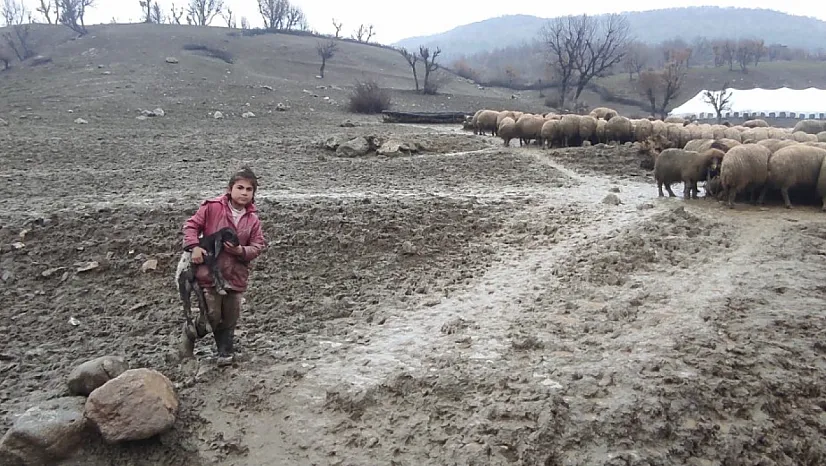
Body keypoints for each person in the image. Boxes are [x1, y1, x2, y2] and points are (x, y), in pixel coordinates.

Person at [180, 167, 266, 366]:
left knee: (231, 315)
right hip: (210, 273)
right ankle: (190, 333)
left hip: (236, 274)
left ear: (254, 194)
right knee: (212, 315)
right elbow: (191, 226)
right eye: (240, 187)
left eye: (249, 189)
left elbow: (257, 245)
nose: (244, 193)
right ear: (230, 189)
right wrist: (194, 247)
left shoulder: (252, 220)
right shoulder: (212, 208)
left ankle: (225, 352)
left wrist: (241, 252)